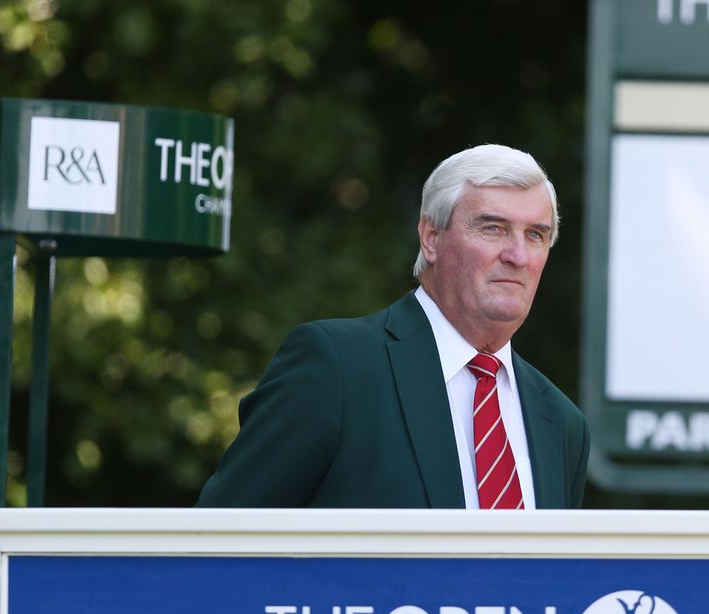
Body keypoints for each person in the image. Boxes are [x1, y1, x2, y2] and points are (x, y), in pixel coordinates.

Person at [196, 144, 588, 509]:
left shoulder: (561, 422)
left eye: (535, 235)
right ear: (431, 238)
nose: (517, 255)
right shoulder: (336, 368)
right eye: (493, 228)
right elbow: (217, 543)